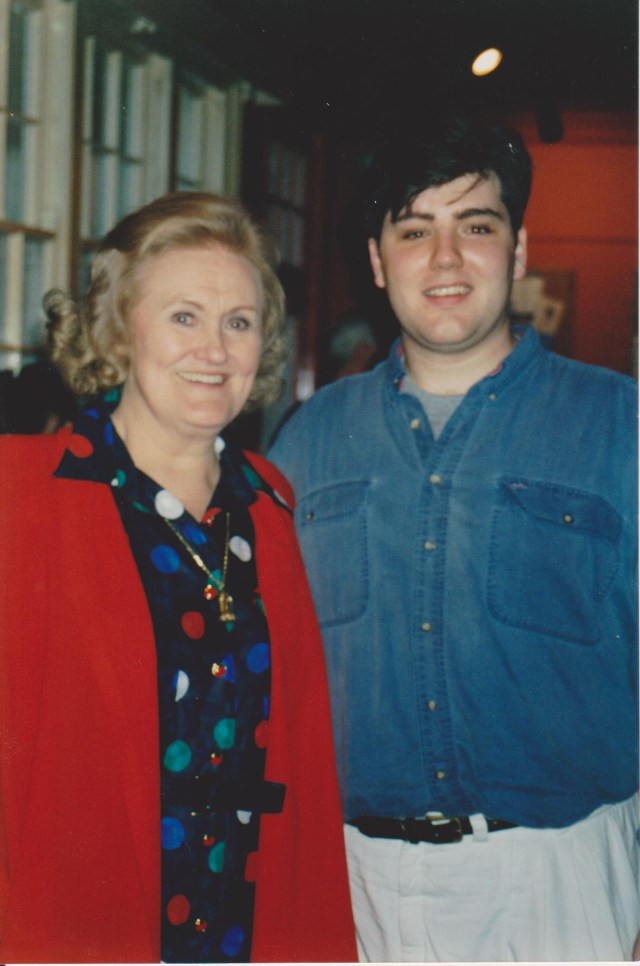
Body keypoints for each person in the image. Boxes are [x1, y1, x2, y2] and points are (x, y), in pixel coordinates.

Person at [269, 116, 639, 962]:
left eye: (475, 226)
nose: (444, 260)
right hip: (355, 880)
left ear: (516, 251)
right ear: (377, 260)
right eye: (413, 231)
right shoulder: (305, 442)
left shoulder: (621, 424)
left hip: (563, 881)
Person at [0, 191, 356, 964]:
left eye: (239, 322)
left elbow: (300, 761)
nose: (216, 349)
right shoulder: (20, 494)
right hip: (76, 924)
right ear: (119, 327)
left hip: (245, 922)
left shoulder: (269, 505)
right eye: (184, 317)